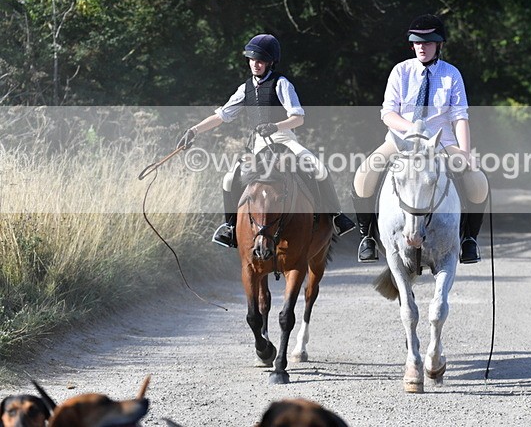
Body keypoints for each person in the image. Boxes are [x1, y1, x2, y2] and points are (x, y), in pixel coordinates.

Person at [176, 33, 356, 248]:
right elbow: (222, 115)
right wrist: (193, 131)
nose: (255, 64)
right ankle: (230, 227)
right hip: (258, 145)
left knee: (319, 168)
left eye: (260, 60)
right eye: (252, 59)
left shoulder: (282, 84)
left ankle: (336, 216)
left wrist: (276, 126)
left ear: (270, 62)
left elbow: (298, 118)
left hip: (284, 139)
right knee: (228, 179)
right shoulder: (245, 88)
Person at [352, 14, 489, 264]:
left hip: (441, 142)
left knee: (478, 183)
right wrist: (412, 128)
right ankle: (367, 237)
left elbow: (460, 116)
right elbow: (388, 113)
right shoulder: (401, 71)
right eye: (417, 43)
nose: (421, 47)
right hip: (401, 140)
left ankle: (469, 240)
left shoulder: (451, 75)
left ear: (439, 45)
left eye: (427, 43)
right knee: (363, 175)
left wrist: (466, 153)